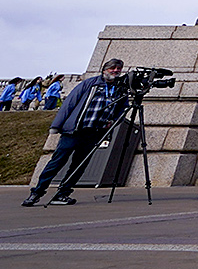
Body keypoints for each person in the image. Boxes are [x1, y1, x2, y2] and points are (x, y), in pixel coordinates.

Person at [24, 59, 126, 206]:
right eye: (113, 68)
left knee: (79, 166)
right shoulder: (89, 83)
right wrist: (57, 125)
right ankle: (37, 193)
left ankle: (63, 193)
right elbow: (70, 103)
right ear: (105, 69)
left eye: (119, 69)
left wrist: (114, 121)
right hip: (74, 131)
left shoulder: (119, 88)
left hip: (94, 133)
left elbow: (122, 108)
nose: (116, 71)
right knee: (56, 163)